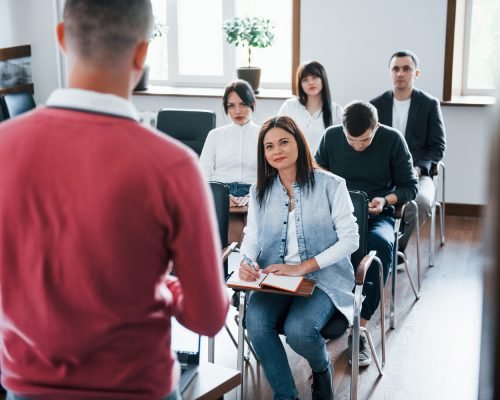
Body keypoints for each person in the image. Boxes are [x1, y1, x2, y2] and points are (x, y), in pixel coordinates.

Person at [0, 1, 229, 399]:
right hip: (136, 387)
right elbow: (208, 317)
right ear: (142, 52)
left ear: (61, 39)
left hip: (28, 389)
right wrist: (169, 287)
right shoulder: (174, 165)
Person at [239, 116, 359, 400]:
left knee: (300, 331)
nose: (276, 151)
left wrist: (302, 267)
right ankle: (286, 395)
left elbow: (351, 240)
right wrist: (246, 261)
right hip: (276, 275)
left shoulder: (332, 185)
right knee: (255, 322)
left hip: (322, 278)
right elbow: (252, 236)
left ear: (299, 143)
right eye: (269, 146)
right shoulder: (259, 191)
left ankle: (321, 369)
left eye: (283, 142)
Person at [315, 100, 418, 367]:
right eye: (352, 140)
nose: (357, 146)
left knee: (378, 248)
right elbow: (316, 174)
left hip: (376, 215)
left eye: (364, 140)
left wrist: (386, 200)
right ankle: (327, 315)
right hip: (336, 215)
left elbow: (409, 187)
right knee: (314, 244)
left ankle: (358, 330)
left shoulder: (393, 140)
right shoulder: (331, 137)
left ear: (376, 127)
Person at [371, 50, 446, 253]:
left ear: (416, 73)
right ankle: (378, 245)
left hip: (419, 173)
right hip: (385, 173)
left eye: (406, 69)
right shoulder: (375, 105)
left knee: (420, 202)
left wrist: (419, 169)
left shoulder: (429, 105)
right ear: (390, 72)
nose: (400, 73)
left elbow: (438, 146)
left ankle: (396, 250)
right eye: (396, 69)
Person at [200, 79, 260, 207]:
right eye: (231, 106)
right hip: (220, 191)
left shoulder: (264, 135)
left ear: (253, 104)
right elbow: (204, 173)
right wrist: (221, 196)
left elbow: (272, 175)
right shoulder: (215, 135)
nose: (237, 111)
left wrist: (253, 197)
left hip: (254, 192)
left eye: (243, 104)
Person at [277, 61, 343, 153]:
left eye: (314, 77)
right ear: (300, 84)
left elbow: (339, 144)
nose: (310, 82)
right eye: (305, 80)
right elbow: (278, 135)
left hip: (324, 165)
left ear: (323, 79)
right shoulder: (289, 106)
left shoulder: (336, 110)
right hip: (295, 162)